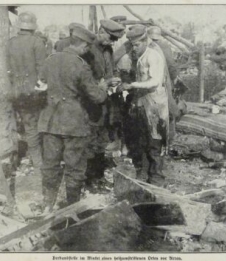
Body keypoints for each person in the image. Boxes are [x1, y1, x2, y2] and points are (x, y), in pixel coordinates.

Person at [38, 26, 110, 212]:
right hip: (74, 123)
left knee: (50, 165)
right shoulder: (81, 65)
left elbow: (41, 85)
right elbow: (97, 97)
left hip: (50, 120)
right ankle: (72, 207)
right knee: (75, 166)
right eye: (87, 47)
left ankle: (48, 205)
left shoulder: (50, 60)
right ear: (84, 45)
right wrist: (103, 87)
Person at [121, 25, 169, 186]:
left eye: (137, 45)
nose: (134, 49)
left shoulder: (153, 56)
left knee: (155, 140)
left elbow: (155, 81)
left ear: (145, 41)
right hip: (143, 102)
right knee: (142, 139)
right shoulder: (138, 57)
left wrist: (132, 85)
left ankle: (156, 178)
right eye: (132, 45)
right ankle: (144, 173)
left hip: (155, 103)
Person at [82, 19, 124, 192]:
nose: (112, 41)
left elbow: (110, 70)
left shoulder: (108, 49)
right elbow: (84, 79)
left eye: (115, 39)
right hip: (90, 102)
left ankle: (98, 176)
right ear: (101, 31)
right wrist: (104, 82)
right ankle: (88, 180)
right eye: (110, 37)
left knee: (102, 139)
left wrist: (114, 78)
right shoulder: (88, 50)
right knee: (90, 140)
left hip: (104, 100)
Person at [7, 11, 47, 175]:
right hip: (33, 91)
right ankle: (38, 162)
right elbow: (42, 70)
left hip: (16, 90)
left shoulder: (10, 43)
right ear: (32, 26)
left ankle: (17, 159)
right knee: (34, 127)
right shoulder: (37, 42)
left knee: (20, 126)